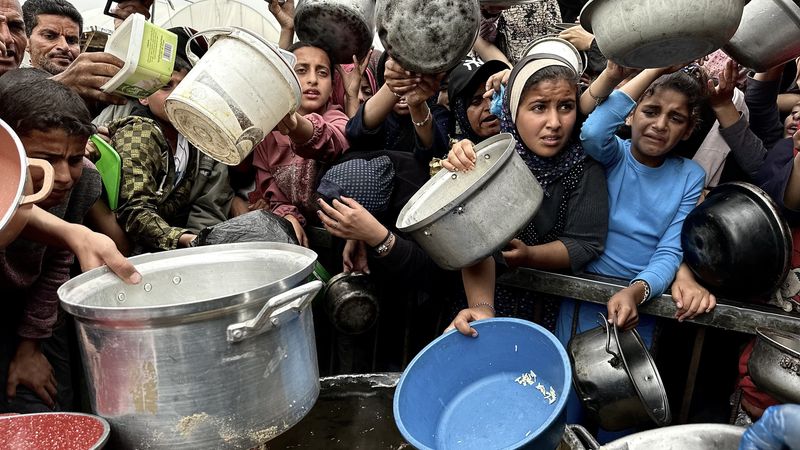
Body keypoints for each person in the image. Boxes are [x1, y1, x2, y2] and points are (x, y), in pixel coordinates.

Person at [444, 54, 608, 336]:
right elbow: (474, 241)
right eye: (539, 107)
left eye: (566, 106)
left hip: (550, 312)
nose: (554, 122)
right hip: (487, 303)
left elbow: (585, 244)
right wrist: (482, 307)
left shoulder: (584, 167)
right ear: (512, 110)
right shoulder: (490, 160)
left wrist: (530, 256)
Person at [0, 74, 102, 412]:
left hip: (36, 308)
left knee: (53, 406)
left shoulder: (84, 181)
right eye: (45, 159)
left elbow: (58, 260)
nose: (62, 176)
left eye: (72, 159)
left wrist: (30, 346)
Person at [107, 48, 232, 253]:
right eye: (166, 86)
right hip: (128, 245)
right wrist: (184, 240)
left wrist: (199, 250)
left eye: (185, 86)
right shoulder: (139, 133)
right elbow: (134, 209)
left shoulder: (205, 140)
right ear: (143, 97)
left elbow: (209, 208)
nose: (177, 94)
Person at [250, 42, 349, 246]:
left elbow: (331, 140)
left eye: (322, 73)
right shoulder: (267, 134)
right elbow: (273, 193)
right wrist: (288, 216)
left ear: (332, 86)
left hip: (343, 237)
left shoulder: (338, 119)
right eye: (301, 71)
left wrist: (295, 126)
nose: (312, 80)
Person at [345, 52, 450, 163]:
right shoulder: (380, 117)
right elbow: (355, 134)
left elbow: (436, 157)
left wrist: (416, 106)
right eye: (397, 77)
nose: (404, 90)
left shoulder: (439, 114)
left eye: (413, 78)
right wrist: (393, 86)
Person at [22, 0, 81, 75]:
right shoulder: (6, 82)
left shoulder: (95, 84)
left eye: (71, 41)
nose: (64, 46)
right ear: (26, 41)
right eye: (50, 36)